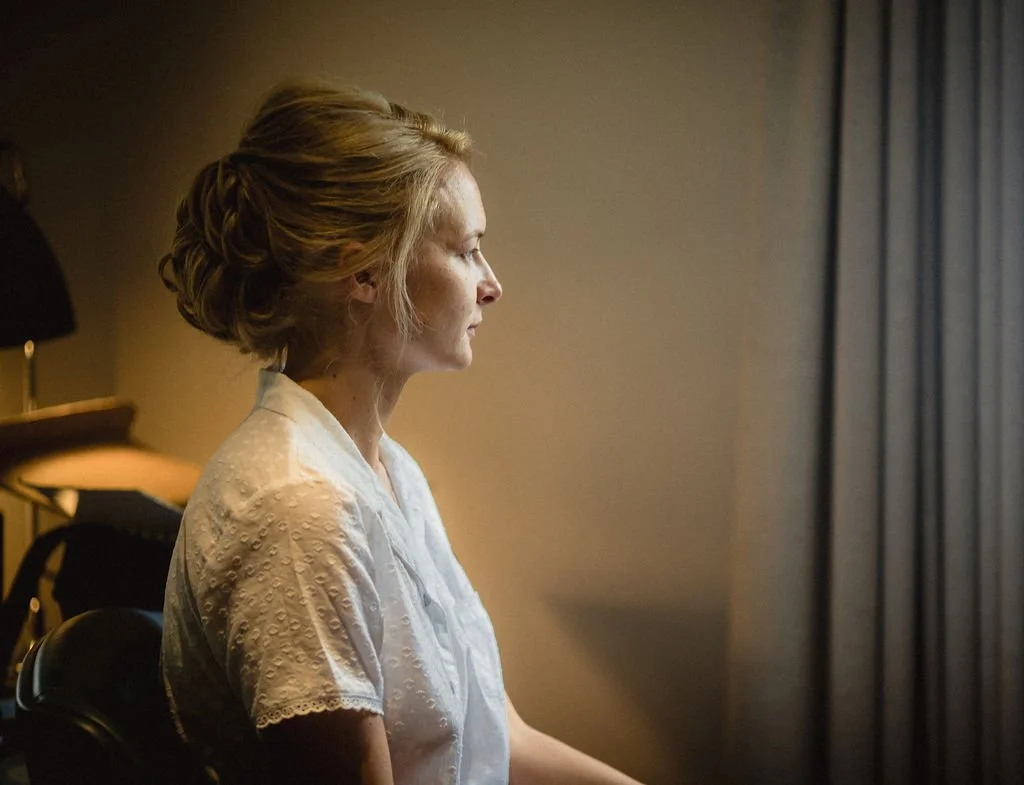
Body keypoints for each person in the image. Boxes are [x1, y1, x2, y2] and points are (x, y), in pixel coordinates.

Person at [159, 80, 644, 785]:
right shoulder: (299, 511)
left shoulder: (387, 471)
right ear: (363, 270)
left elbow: (501, 736)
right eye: (468, 249)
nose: (491, 284)